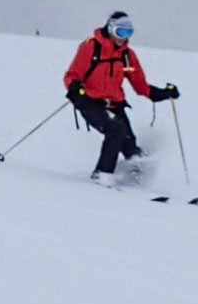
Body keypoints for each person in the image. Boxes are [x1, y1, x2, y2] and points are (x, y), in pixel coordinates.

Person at [63, 11, 178, 183]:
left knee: (130, 147)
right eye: (121, 32)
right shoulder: (90, 48)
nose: (124, 38)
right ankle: (102, 175)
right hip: (90, 101)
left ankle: (136, 180)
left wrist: (164, 93)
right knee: (115, 130)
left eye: (128, 33)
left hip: (115, 104)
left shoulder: (126, 56)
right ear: (111, 29)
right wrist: (75, 89)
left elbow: (141, 86)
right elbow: (72, 75)